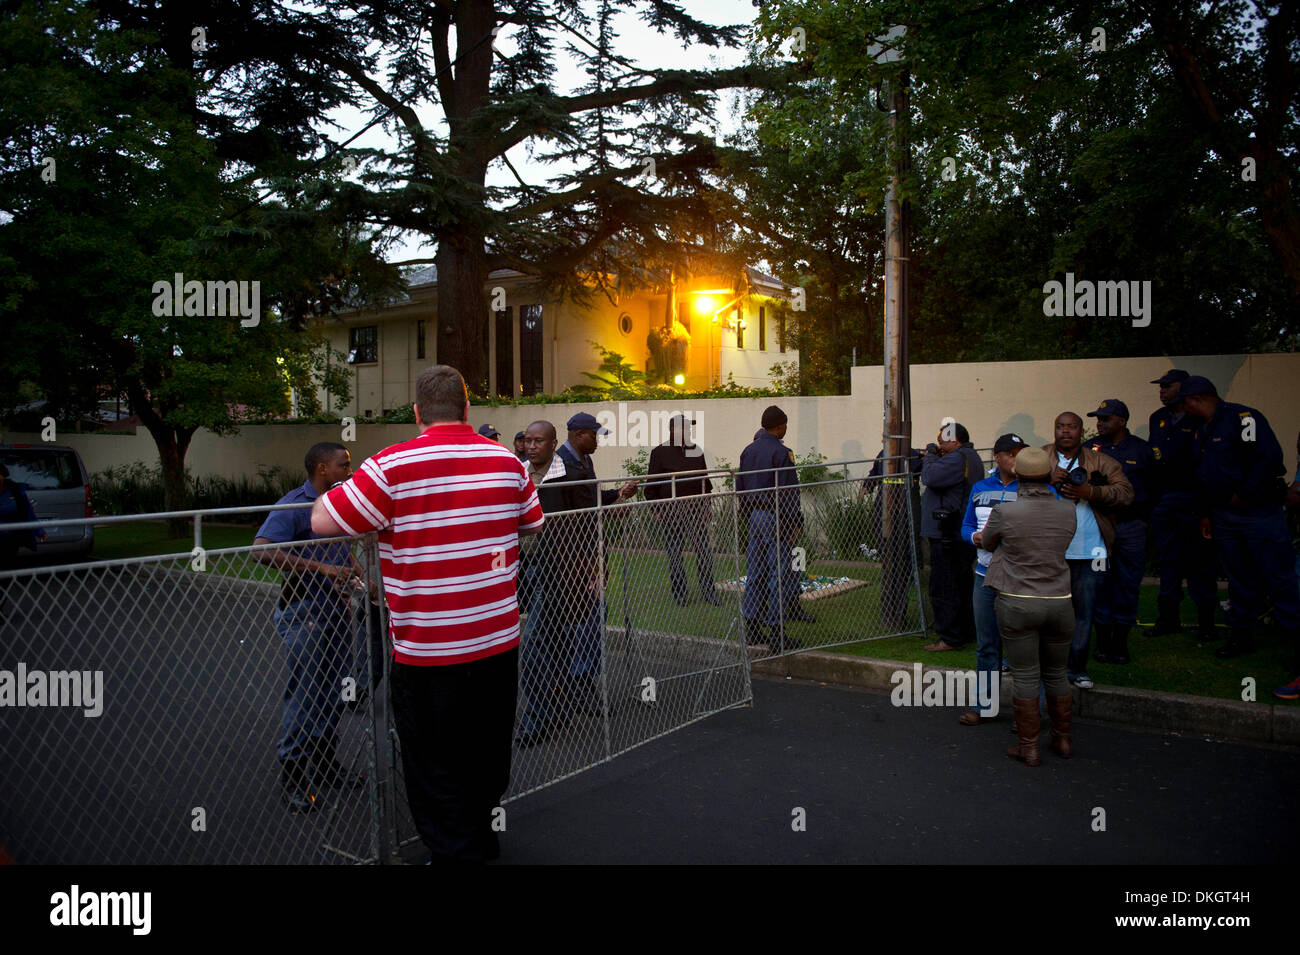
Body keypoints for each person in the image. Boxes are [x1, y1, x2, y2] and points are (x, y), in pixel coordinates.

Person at [310, 366, 545, 863]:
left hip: (428, 650)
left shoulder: (390, 466)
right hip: (496, 642)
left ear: (417, 413)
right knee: (486, 754)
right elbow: (531, 525)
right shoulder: (507, 461)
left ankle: (457, 852)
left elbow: (322, 521)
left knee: (432, 763)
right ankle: (479, 841)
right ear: (466, 409)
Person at [253, 442, 365, 814]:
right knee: (305, 693)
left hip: (336, 611)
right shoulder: (295, 504)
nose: (349, 470)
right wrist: (324, 570)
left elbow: (335, 546)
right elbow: (262, 550)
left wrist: (351, 568)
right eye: (343, 464)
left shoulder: (336, 502)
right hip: (304, 612)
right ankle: (295, 774)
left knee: (335, 692)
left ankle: (325, 763)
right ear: (321, 468)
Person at [1178, 377, 1300, 686]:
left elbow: (1267, 459)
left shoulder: (1243, 418)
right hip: (1223, 516)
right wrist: (1206, 513)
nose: (1182, 409)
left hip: (1258, 514)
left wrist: (1243, 495)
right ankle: (1241, 637)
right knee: (1238, 579)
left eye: (1185, 402)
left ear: (1197, 398)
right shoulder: (1199, 428)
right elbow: (1203, 475)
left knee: (1279, 579)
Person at [981, 447, 1078, 766]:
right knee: (1057, 673)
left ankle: (1029, 746)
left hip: (1018, 600)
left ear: (1019, 477)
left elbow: (989, 542)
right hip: (1060, 600)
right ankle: (1062, 740)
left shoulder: (1006, 512)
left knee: (1024, 674)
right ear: (1049, 476)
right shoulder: (1068, 510)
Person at [1041, 412, 1133, 689]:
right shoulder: (1040, 457)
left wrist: (1090, 492)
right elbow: (1014, 488)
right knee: (1045, 611)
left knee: (1084, 611)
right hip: (1051, 550)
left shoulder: (1101, 460)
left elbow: (1126, 494)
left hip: (1092, 551)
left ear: (1082, 431)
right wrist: (1046, 479)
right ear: (1054, 430)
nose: (1065, 431)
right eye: (1060, 427)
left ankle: (1076, 669)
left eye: (1072, 427)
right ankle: (1044, 665)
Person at [515, 419, 592, 746]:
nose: (532, 446)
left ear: (553, 443)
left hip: (558, 570)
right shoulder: (516, 474)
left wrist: (590, 569)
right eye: (528, 441)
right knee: (556, 643)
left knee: (532, 644)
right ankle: (557, 710)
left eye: (539, 441)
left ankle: (536, 717)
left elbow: (588, 524)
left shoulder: (571, 475)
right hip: (522, 568)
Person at [556, 412, 638, 712]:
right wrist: (586, 561)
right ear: (578, 434)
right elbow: (569, 513)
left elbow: (591, 501)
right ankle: (577, 684)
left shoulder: (584, 461)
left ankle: (579, 682)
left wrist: (618, 494)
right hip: (571, 557)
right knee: (587, 616)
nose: (598, 440)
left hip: (588, 548)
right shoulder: (561, 464)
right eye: (594, 434)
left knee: (593, 614)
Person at [958, 432, 1028, 724]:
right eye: (1010, 454)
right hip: (985, 576)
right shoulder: (979, 488)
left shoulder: (1035, 489)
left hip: (1020, 579)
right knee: (987, 644)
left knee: (1022, 648)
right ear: (997, 457)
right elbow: (966, 525)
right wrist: (975, 537)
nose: (1015, 459)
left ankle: (1026, 715)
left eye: (1020, 453)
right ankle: (984, 705)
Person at [1147, 369, 1217, 641]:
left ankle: (1206, 623)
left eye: (1168, 386)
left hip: (1195, 497)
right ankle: (1168, 618)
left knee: (1200, 560)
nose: (1162, 390)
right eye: (1160, 386)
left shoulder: (1200, 418)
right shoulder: (1158, 418)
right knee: (1168, 560)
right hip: (1165, 499)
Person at [1087, 399, 1155, 665]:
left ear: (1122, 421)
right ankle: (1103, 641)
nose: (1100, 423)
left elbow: (1154, 489)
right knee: (1099, 582)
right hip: (1098, 527)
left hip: (1131, 526)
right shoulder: (1089, 449)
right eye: (1098, 418)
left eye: (1106, 418)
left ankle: (1120, 643)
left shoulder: (1142, 450)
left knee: (1127, 583)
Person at [736, 405, 808, 653]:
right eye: (785, 424)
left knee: (755, 572)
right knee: (779, 574)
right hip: (776, 517)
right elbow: (789, 490)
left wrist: (747, 515)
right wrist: (794, 522)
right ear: (780, 426)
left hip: (754, 515)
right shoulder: (781, 452)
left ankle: (753, 627)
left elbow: (741, 486)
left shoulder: (749, 450)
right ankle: (777, 632)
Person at [919, 420, 985, 652]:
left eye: (941, 441)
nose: (938, 445)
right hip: (959, 531)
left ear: (955, 441)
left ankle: (949, 638)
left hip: (948, 533)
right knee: (961, 584)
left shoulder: (957, 458)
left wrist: (928, 455)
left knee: (944, 586)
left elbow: (930, 477)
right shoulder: (970, 456)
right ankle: (965, 632)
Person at [644, 414, 721, 607]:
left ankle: (708, 592)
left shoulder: (696, 451)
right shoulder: (659, 453)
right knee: (675, 555)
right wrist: (656, 509)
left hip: (695, 511)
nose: (687, 432)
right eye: (683, 428)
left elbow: (705, 481)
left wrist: (706, 506)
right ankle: (680, 594)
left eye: (688, 429)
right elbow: (651, 486)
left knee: (704, 553)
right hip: (671, 512)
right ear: (672, 430)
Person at [858, 446, 924, 571]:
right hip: (884, 501)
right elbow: (875, 472)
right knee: (883, 534)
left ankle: (909, 572)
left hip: (906, 501)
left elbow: (918, 470)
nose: (883, 440)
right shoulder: (883, 454)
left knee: (906, 536)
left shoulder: (911, 454)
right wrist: (867, 486)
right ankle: (889, 569)